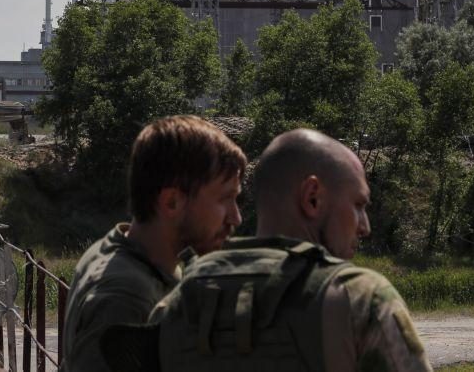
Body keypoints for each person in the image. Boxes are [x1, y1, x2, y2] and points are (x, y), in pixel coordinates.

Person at [145, 127, 432, 372]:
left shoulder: (175, 302)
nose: (365, 226)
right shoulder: (358, 298)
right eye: (358, 206)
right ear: (313, 198)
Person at [60, 115, 246, 372]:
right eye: (225, 198)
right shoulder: (126, 299)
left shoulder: (124, 251)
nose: (236, 217)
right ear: (171, 202)